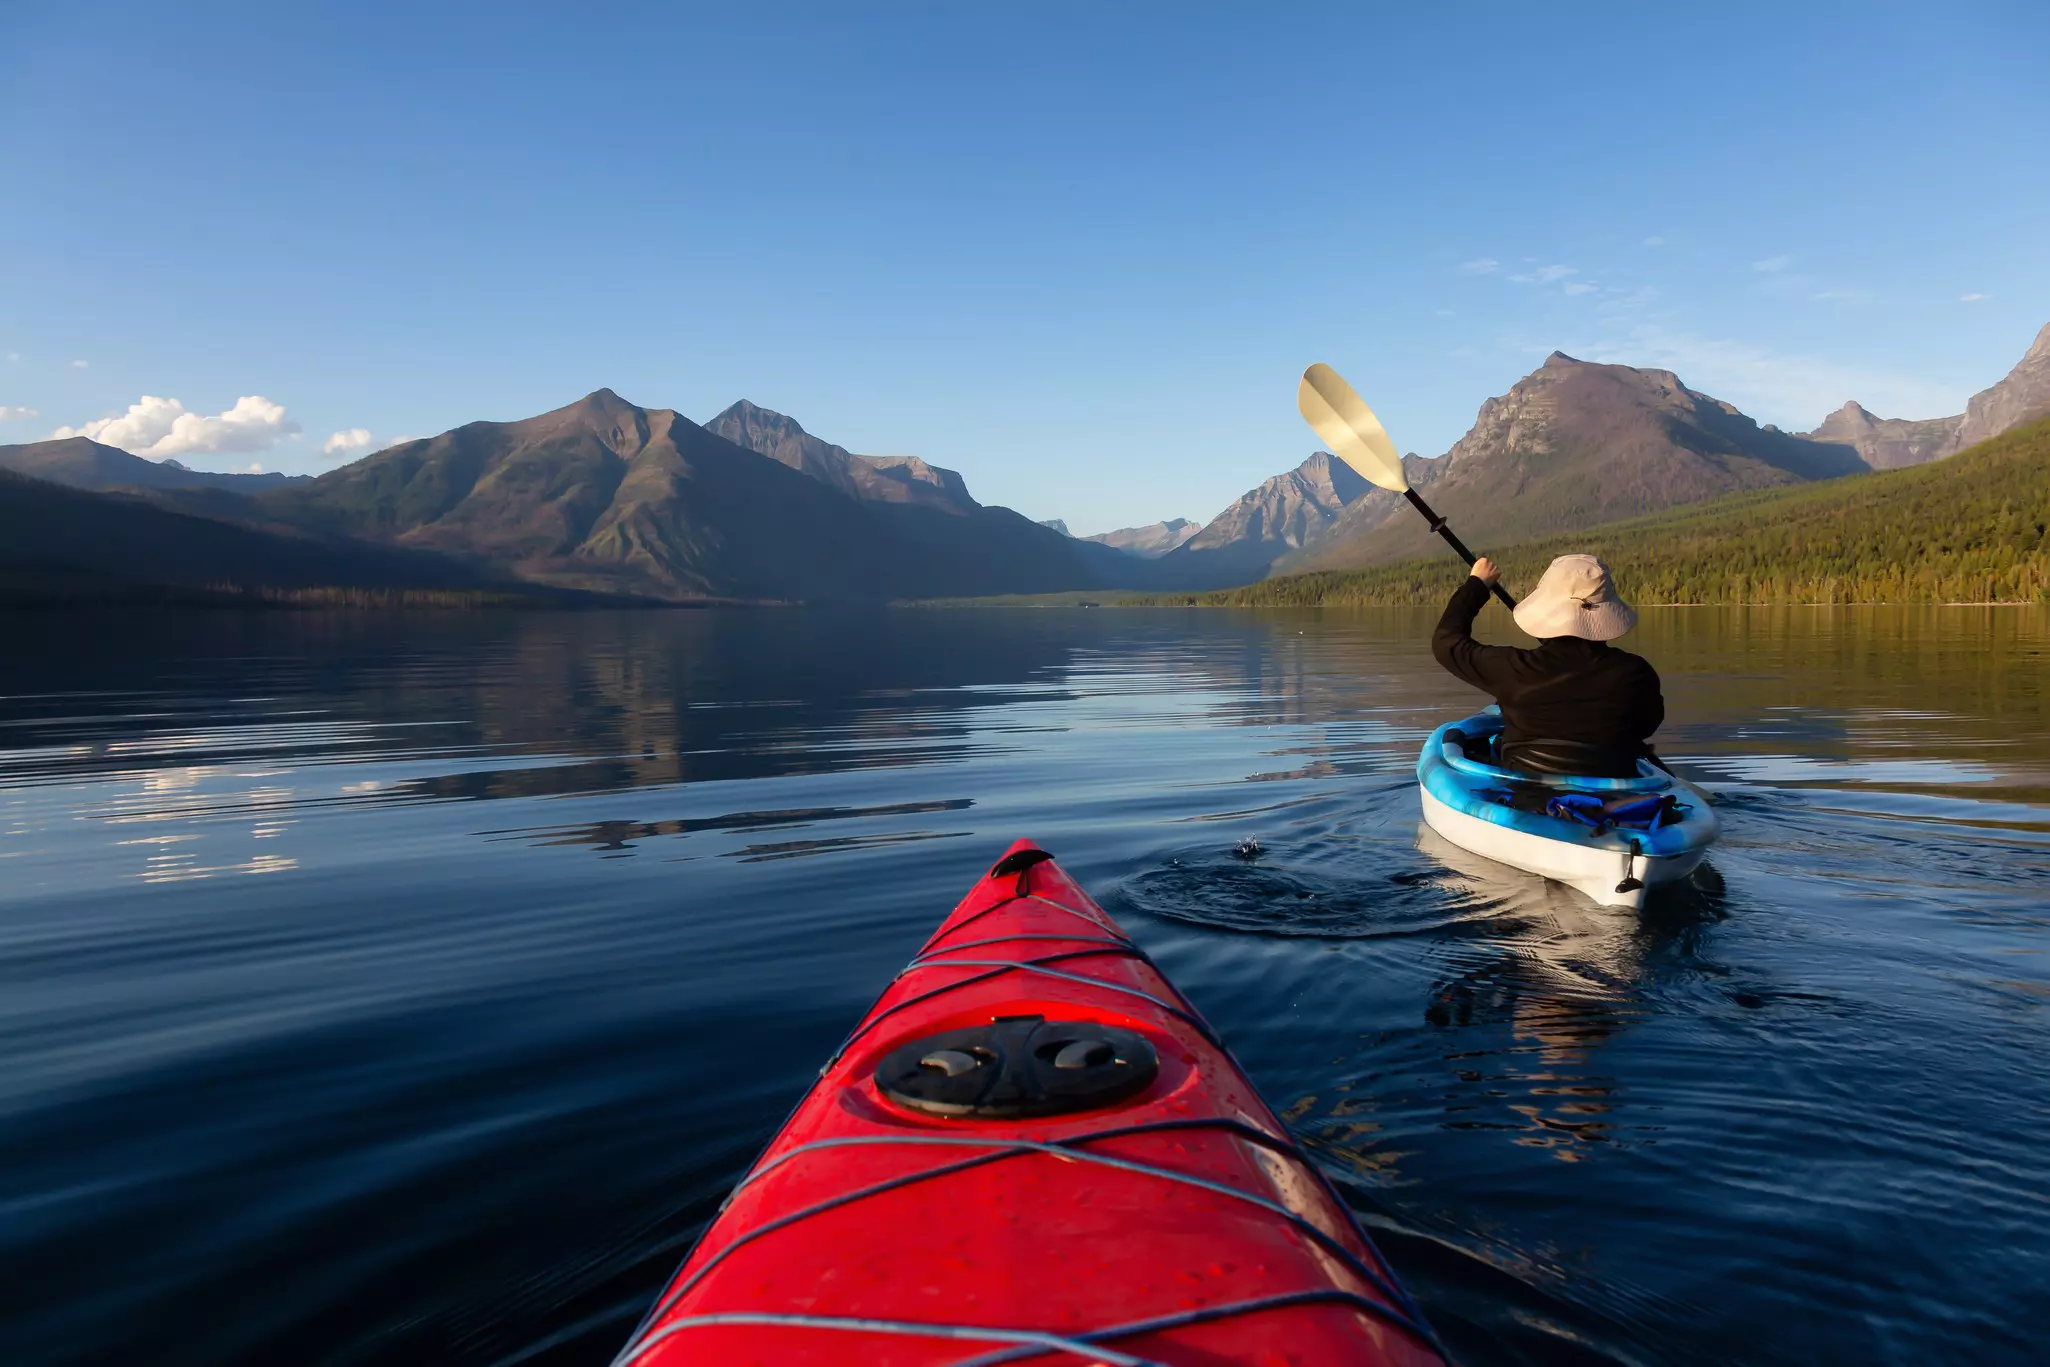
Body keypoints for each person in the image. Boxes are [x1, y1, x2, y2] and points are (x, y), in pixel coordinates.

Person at [1431, 553, 1662, 778]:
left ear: (1546, 612)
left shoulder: (1514, 669)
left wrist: (1478, 585)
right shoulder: (1636, 673)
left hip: (1525, 796)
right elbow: (1645, 727)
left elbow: (1446, 643)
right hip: (1618, 797)